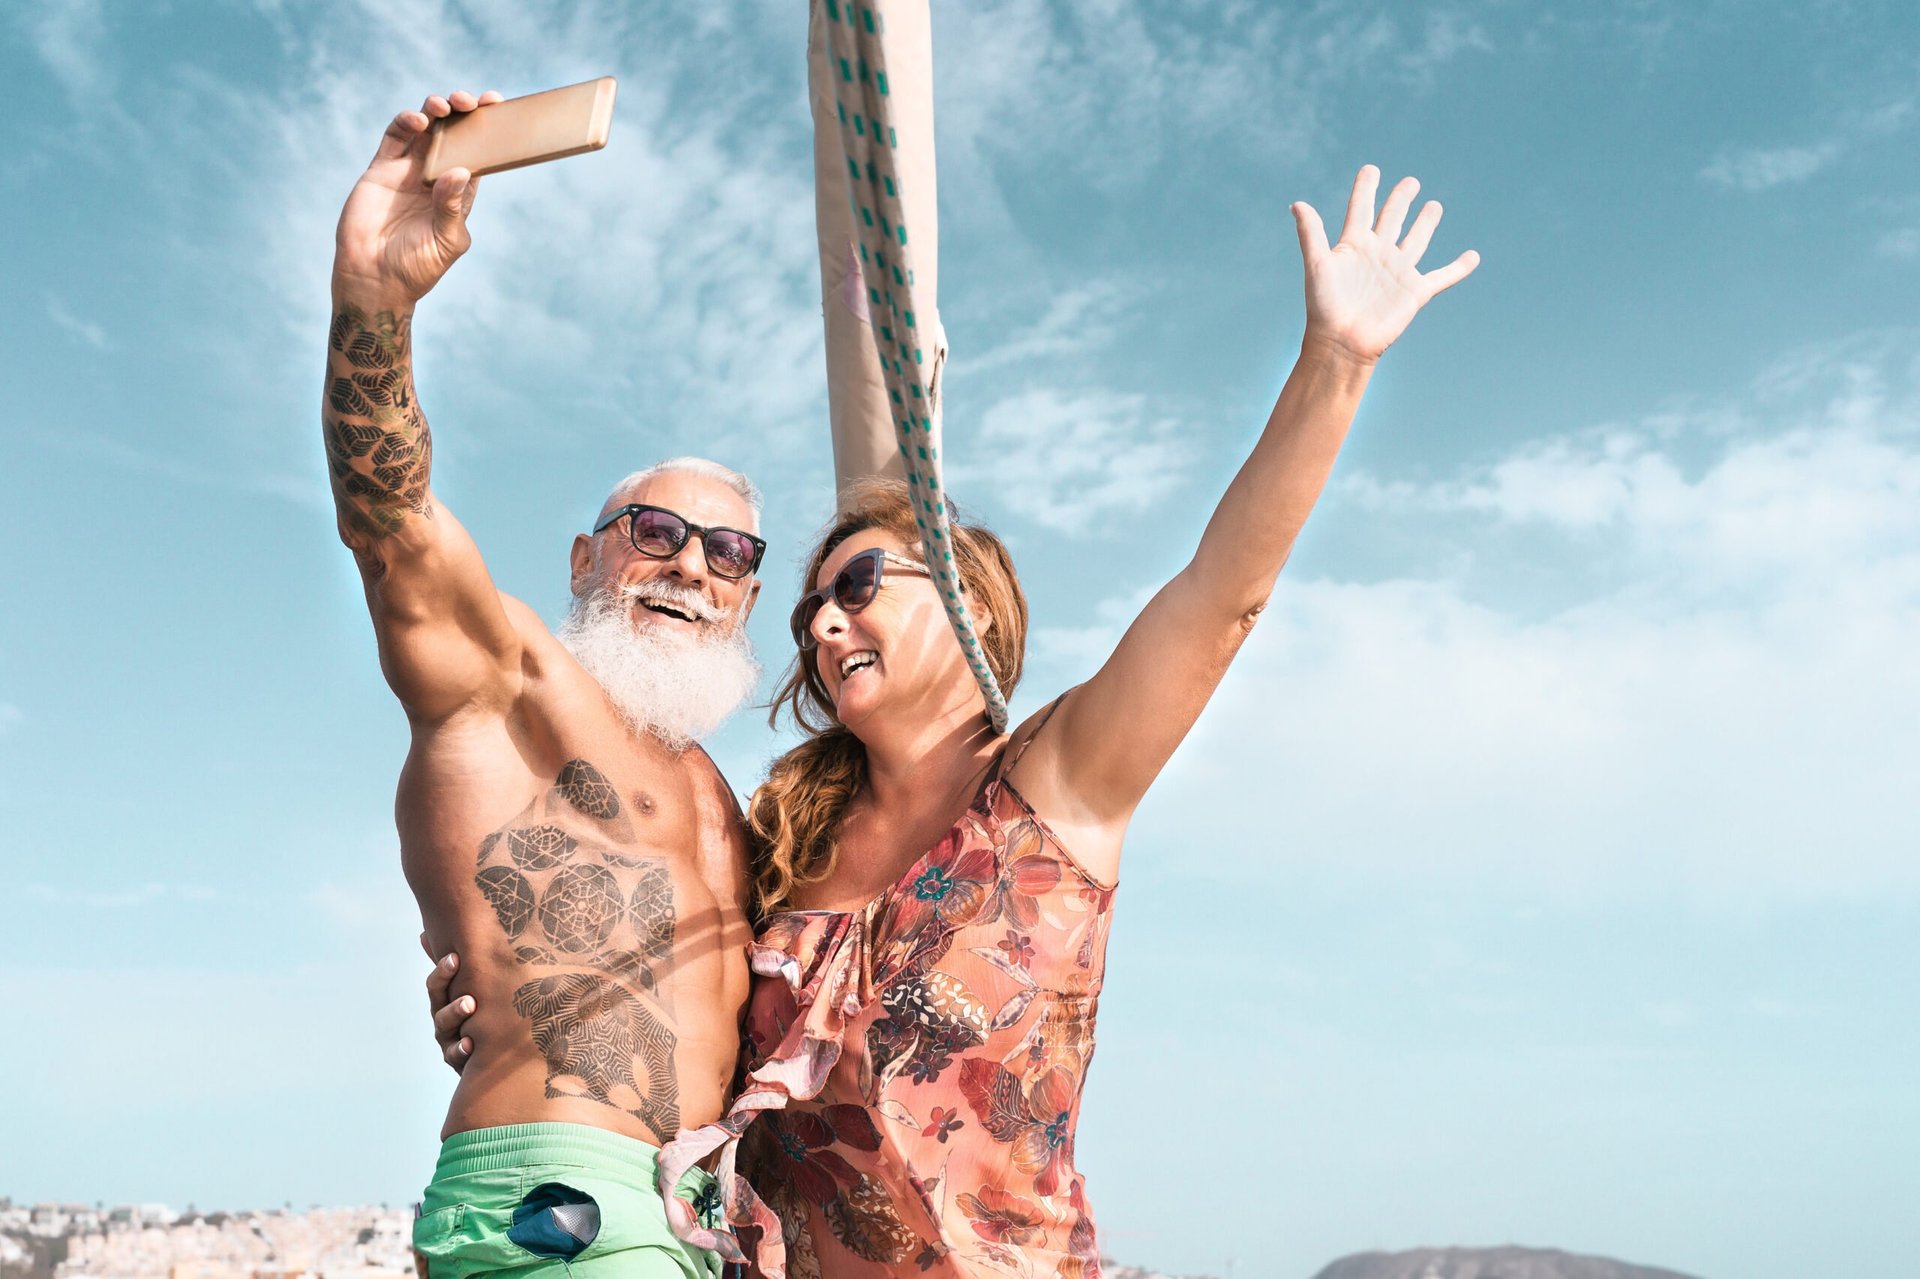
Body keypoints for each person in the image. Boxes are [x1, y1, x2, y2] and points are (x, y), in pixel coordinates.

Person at [437, 165, 1479, 1277]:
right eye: (811, 609)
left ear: (971, 602)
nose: (827, 627)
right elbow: (630, 966)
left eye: (860, 584)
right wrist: (491, 992)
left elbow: (1222, 599)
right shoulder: (781, 847)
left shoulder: (1056, 786)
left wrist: (1337, 361)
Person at [326, 89, 779, 1279]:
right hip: (560, 1205)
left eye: (731, 553)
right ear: (588, 556)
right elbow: (395, 532)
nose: (692, 565)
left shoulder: (727, 806)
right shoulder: (514, 688)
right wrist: (374, 297)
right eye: (657, 531)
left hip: (694, 1222)